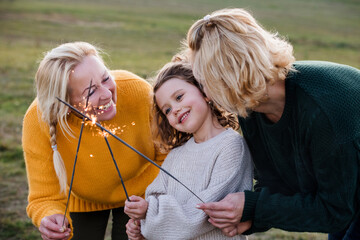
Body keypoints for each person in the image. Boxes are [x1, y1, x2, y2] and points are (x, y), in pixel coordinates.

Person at [186, 8, 360, 240]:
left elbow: (334, 211)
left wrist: (256, 207)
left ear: (228, 75)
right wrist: (250, 216)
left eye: (204, 82)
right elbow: (276, 182)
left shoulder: (322, 109)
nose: (205, 95)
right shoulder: (253, 108)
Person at [22, 41, 166, 240]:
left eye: (106, 78)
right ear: (64, 103)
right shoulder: (39, 119)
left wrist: (151, 198)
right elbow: (44, 195)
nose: (107, 94)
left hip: (141, 196)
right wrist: (49, 215)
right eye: (90, 91)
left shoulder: (138, 92)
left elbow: (168, 156)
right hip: (80, 200)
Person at [123, 60, 253, 239]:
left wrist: (150, 212)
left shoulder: (231, 146)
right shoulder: (175, 155)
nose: (175, 109)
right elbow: (154, 198)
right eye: (167, 110)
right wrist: (142, 227)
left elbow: (204, 212)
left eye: (179, 97)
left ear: (205, 92)